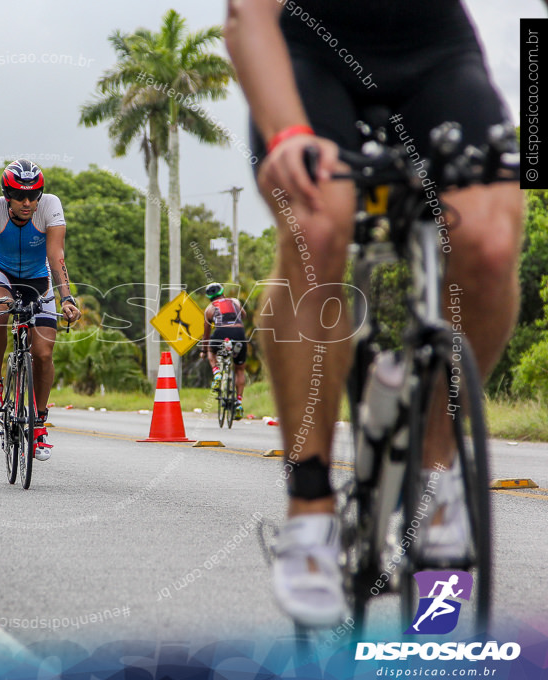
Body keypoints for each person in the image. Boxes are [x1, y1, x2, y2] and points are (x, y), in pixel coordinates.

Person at [225, 1, 524, 626]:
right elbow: (246, 15)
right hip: (307, 51)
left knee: (491, 239)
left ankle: (436, 470)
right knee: (317, 222)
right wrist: (286, 137)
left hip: (433, 48)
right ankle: (310, 505)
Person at [0, 159, 82, 460]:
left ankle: (38, 422)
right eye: (20, 196)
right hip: (3, 275)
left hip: (39, 278)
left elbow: (56, 255)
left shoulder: (50, 206)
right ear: (6, 195)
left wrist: (67, 299)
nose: (27, 202)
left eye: (34, 196)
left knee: (44, 353)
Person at [200, 283, 247, 420]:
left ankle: (216, 373)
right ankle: (238, 403)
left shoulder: (209, 309)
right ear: (223, 292)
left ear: (209, 298)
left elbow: (206, 335)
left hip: (221, 332)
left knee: (211, 349)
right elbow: (243, 315)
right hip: (239, 332)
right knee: (239, 369)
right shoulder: (235, 301)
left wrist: (204, 351)